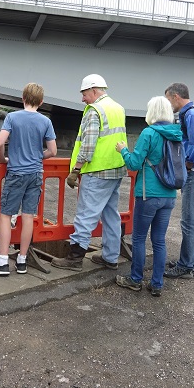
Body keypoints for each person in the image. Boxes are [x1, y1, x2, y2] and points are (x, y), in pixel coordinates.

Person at [50, 74, 128, 272]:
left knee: (86, 214)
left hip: (97, 171)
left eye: (84, 94)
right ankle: (110, 257)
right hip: (116, 169)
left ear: (94, 91)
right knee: (111, 214)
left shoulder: (94, 111)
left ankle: (75, 258)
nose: (82, 99)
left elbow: (89, 144)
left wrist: (76, 170)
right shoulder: (118, 108)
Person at [0, 83, 57, 276]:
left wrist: (2, 160)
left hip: (16, 172)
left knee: (6, 215)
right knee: (28, 216)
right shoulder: (45, 121)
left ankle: (3, 262)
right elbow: (53, 151)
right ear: (41, 102)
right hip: (36, 174)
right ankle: (22, 262)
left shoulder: (12, 117)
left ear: (23, 98)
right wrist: (38, 156)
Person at [114, 96, 181, 296]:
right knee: (159, 240)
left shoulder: (149, 133)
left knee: (140, 238)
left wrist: (123, 150)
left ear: (151, 112)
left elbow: (134, 163)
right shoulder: (177, 134)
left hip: (148, 194)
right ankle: (157, 283)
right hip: (169, 194)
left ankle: (135, 280)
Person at [164, 83, 194, 279]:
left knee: (189, 221)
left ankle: (187, 266)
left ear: (176, 96)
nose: (168, 104)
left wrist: (187, 165)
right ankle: (189, 262)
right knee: (191, 221)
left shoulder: (192, 115)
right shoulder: (192, 114)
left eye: (168, 99)